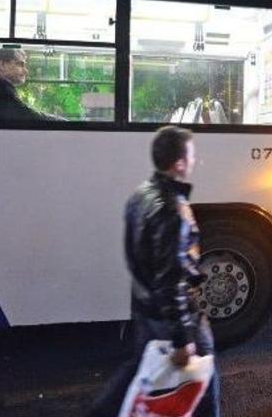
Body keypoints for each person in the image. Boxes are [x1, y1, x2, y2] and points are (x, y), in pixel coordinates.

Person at [87, 126, 220, 417]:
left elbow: (137, 256)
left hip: (146, 307)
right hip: (174, 314)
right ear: (179, 163)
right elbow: (171, 277)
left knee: (139, 369)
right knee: (204, 381)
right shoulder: (173, 210)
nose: (196, 161)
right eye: (192, 155)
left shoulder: (140, 195)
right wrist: (183, 335)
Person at [0, 47, 57, 120]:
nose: (26, 71)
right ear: (2, 64)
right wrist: (58, 121)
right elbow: (26, 116)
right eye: (20, 64)